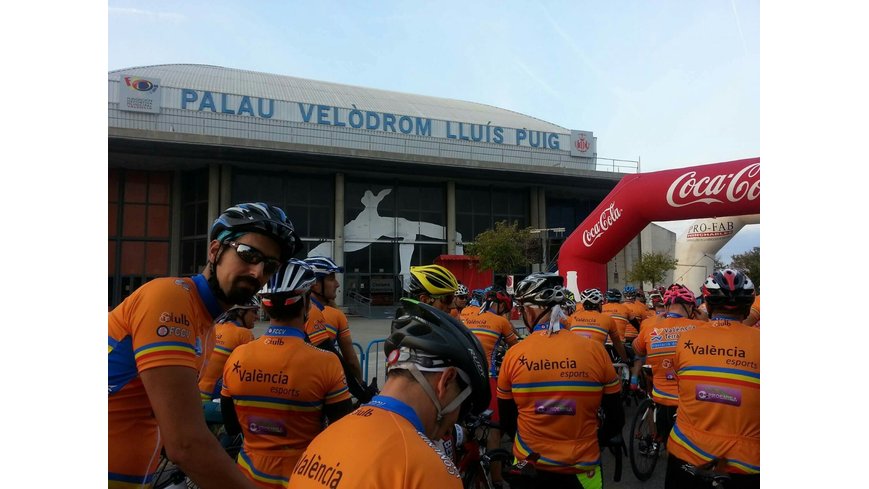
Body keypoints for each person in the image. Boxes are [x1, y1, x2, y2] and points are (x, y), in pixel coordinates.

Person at [108, 202, 301, 488]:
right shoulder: (170, 298)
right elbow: (185, 445)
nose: (257, 272)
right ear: (215, 250)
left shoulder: (205, 323)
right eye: (249, 254)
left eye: (270, 266)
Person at [286, 298, 490, 489]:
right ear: (446, 381)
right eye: (462, 406)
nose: (454, 421)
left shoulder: (324, 439)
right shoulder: (429, 468)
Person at [221, 259, 354, 488]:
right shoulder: (327, 362)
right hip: (306, 476)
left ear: (265, 306)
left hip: (247, 477)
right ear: (305, 304)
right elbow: (341, 430)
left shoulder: (238, 356)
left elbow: (232, 426)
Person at [498, 273, 624, 489]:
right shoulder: (595, 350)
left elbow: (508, 420)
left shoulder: (514, 355)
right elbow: (616, 418)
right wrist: (594, 442)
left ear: (530, 311)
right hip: (583, 468)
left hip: (529, 465)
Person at [664, 269, 760, 489]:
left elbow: (682, 383)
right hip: (747, 462)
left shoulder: (686, 339)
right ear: (747, 308)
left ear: (707, 304)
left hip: (687, 452)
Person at [629, 284, 707, 440]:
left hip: (661, 397)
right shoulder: (701, 327)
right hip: (691, 401)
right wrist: (705, 320)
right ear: (690, 307)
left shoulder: (650, 328)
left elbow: (637, 350)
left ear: (666, 306)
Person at [463, 287, 519, 488]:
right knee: (494, 428)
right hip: (486, 378)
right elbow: (517, 348)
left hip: (461, 379)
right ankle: (497, 480)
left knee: (461, 423)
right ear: (502, 305)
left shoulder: (465, 314)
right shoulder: (501, 321)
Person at [303, 256, 376, 403]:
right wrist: (361, 387)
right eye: (331, 279)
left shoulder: (300, 309)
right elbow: (350, 361)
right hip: (322, 389)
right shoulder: (333, 315)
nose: (337, 284)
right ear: (315, 284)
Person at [198, 297, 259, 421]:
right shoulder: (243, 334)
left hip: (196, 397)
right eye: (254, 311)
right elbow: (251, 371)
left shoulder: (216, 327)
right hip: (214, 401)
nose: (257, 317)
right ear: (241, 312)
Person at [568, 288, 629, 362]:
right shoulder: (607, 319)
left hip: (573, 359)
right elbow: (617, 343)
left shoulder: (572, 317)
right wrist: (625, 360)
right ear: (599, 304)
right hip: (595, 359)